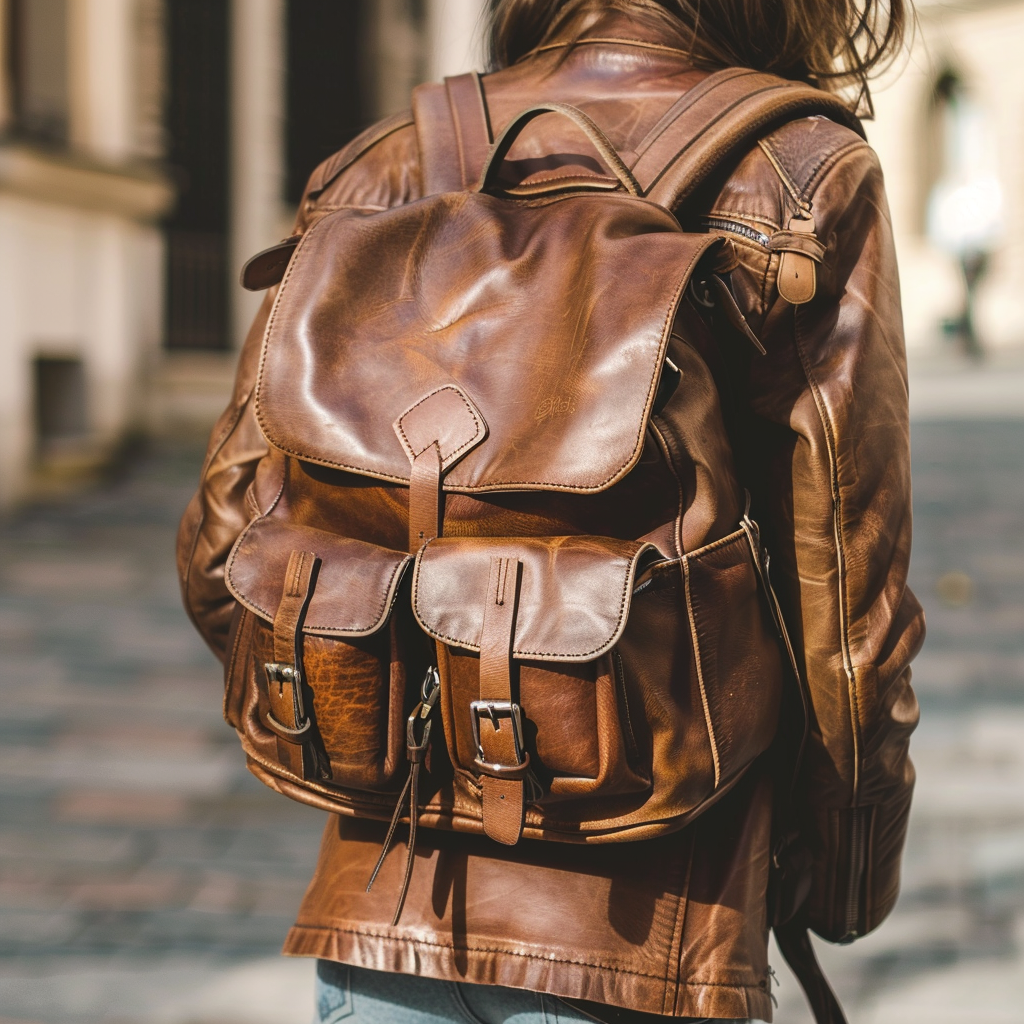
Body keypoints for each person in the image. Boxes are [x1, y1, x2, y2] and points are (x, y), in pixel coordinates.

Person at [177, 1, 924, 1021]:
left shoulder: (385, 163)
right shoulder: (799, 173)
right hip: (652, 930)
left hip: (377, 923)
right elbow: (848, 610)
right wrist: (842, 881)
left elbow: (223, 544)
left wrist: (384, 712)